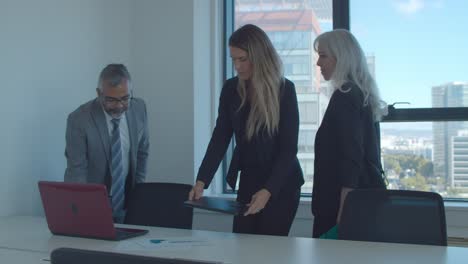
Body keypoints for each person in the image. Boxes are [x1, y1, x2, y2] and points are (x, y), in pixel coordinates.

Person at [188, 24, 304, 236]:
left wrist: (268, 191)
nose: (237, 66)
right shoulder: (231, 89)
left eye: (242, 59)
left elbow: (288, 150)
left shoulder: (285, 90)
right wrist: (202, 180)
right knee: (242, 245)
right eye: (233, 59)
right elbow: (220, 137)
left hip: (281, 184)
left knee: (269, 251)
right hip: (250, 179)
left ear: (259, 57)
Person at [311, 29, 387, 238]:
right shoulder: (361, 95)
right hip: (361, 203)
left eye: (323, 56)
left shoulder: (345, 96)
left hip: (339, 206)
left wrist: (345, 212)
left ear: (342, 58)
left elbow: (351, 159)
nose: (318, 63)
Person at [64, 64, 149, 223]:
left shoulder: (139, 109)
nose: (119, 106)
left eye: (124, 98)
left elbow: (142, 153)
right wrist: (80, 215)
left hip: (128, 201)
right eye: (111, 100)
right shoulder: (79, 120)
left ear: (131, 93)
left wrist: (140, 196)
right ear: (99, 93)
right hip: (91, 205)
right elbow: (77, 171)